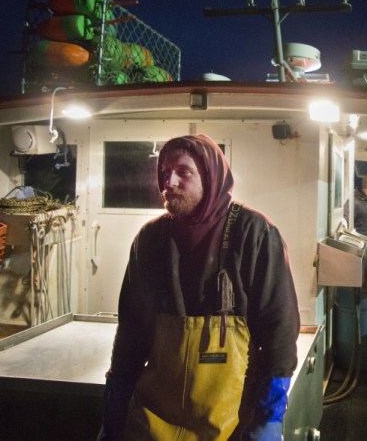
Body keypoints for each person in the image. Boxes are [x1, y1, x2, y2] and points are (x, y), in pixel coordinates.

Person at [98, 134, 300, 441]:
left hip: (233, 420)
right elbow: (132, 329)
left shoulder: (254, 233)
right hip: (154, 419)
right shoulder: (150, 239)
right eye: (164, 173)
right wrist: (116, 402)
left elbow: (280, 327)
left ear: (210, 176)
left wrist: (269, 416)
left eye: (183, 172)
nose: (170, 182)